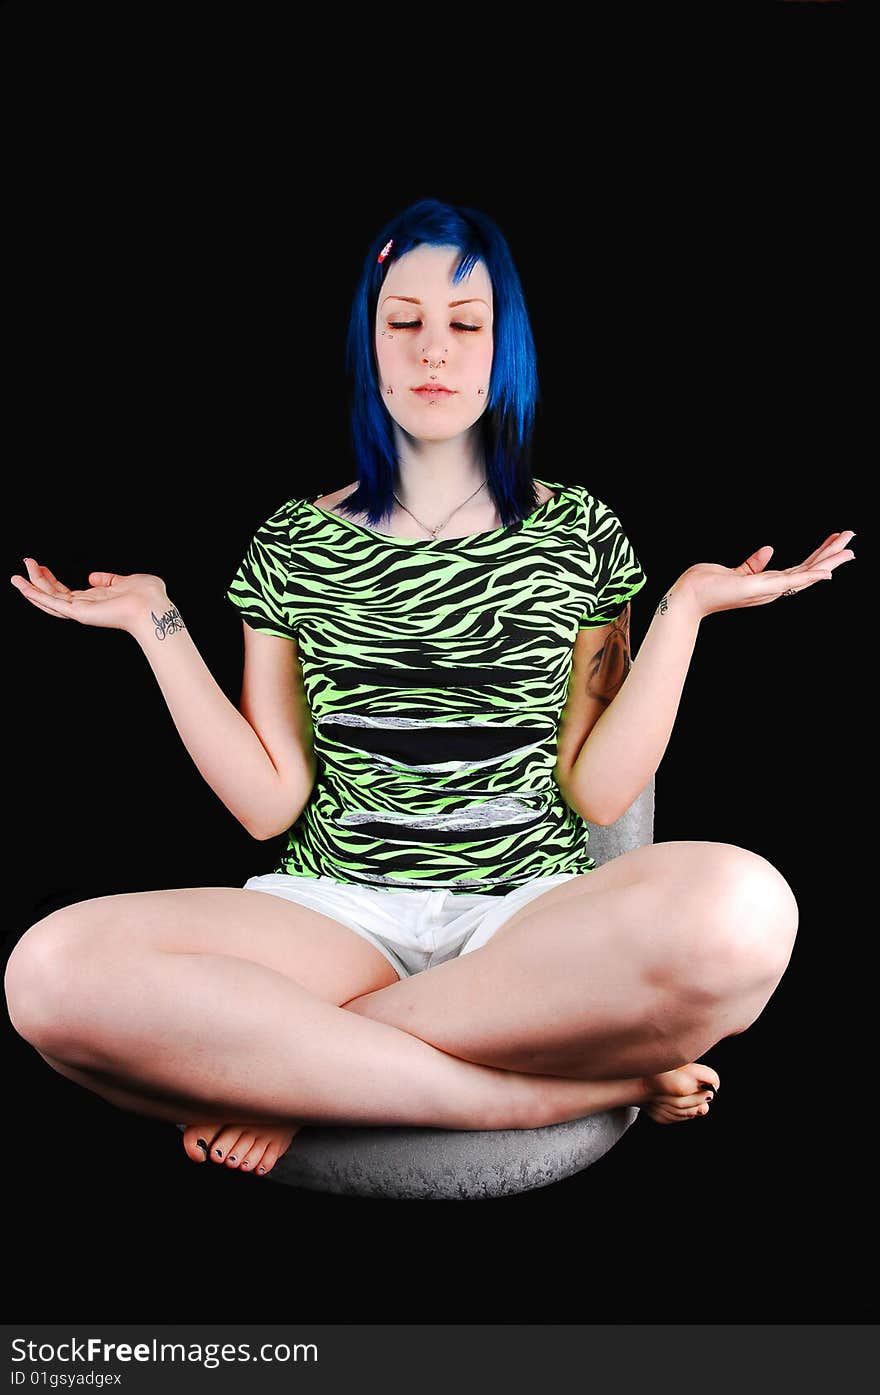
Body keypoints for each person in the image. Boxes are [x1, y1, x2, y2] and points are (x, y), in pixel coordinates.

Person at [5, 198, 855, 1183]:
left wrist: (685, 612)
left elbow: (598, 796)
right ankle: (550, 1092)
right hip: (336, 914)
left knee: (745, 909)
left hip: (528, 922)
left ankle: (303, 1066)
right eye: (402, 323)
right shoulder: (293, 542)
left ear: (507, 348)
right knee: (48, 977)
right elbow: (266, 804)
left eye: (465, 324)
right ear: (369, 347)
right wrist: (156, 625)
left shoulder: (580, 533)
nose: (432, 354)